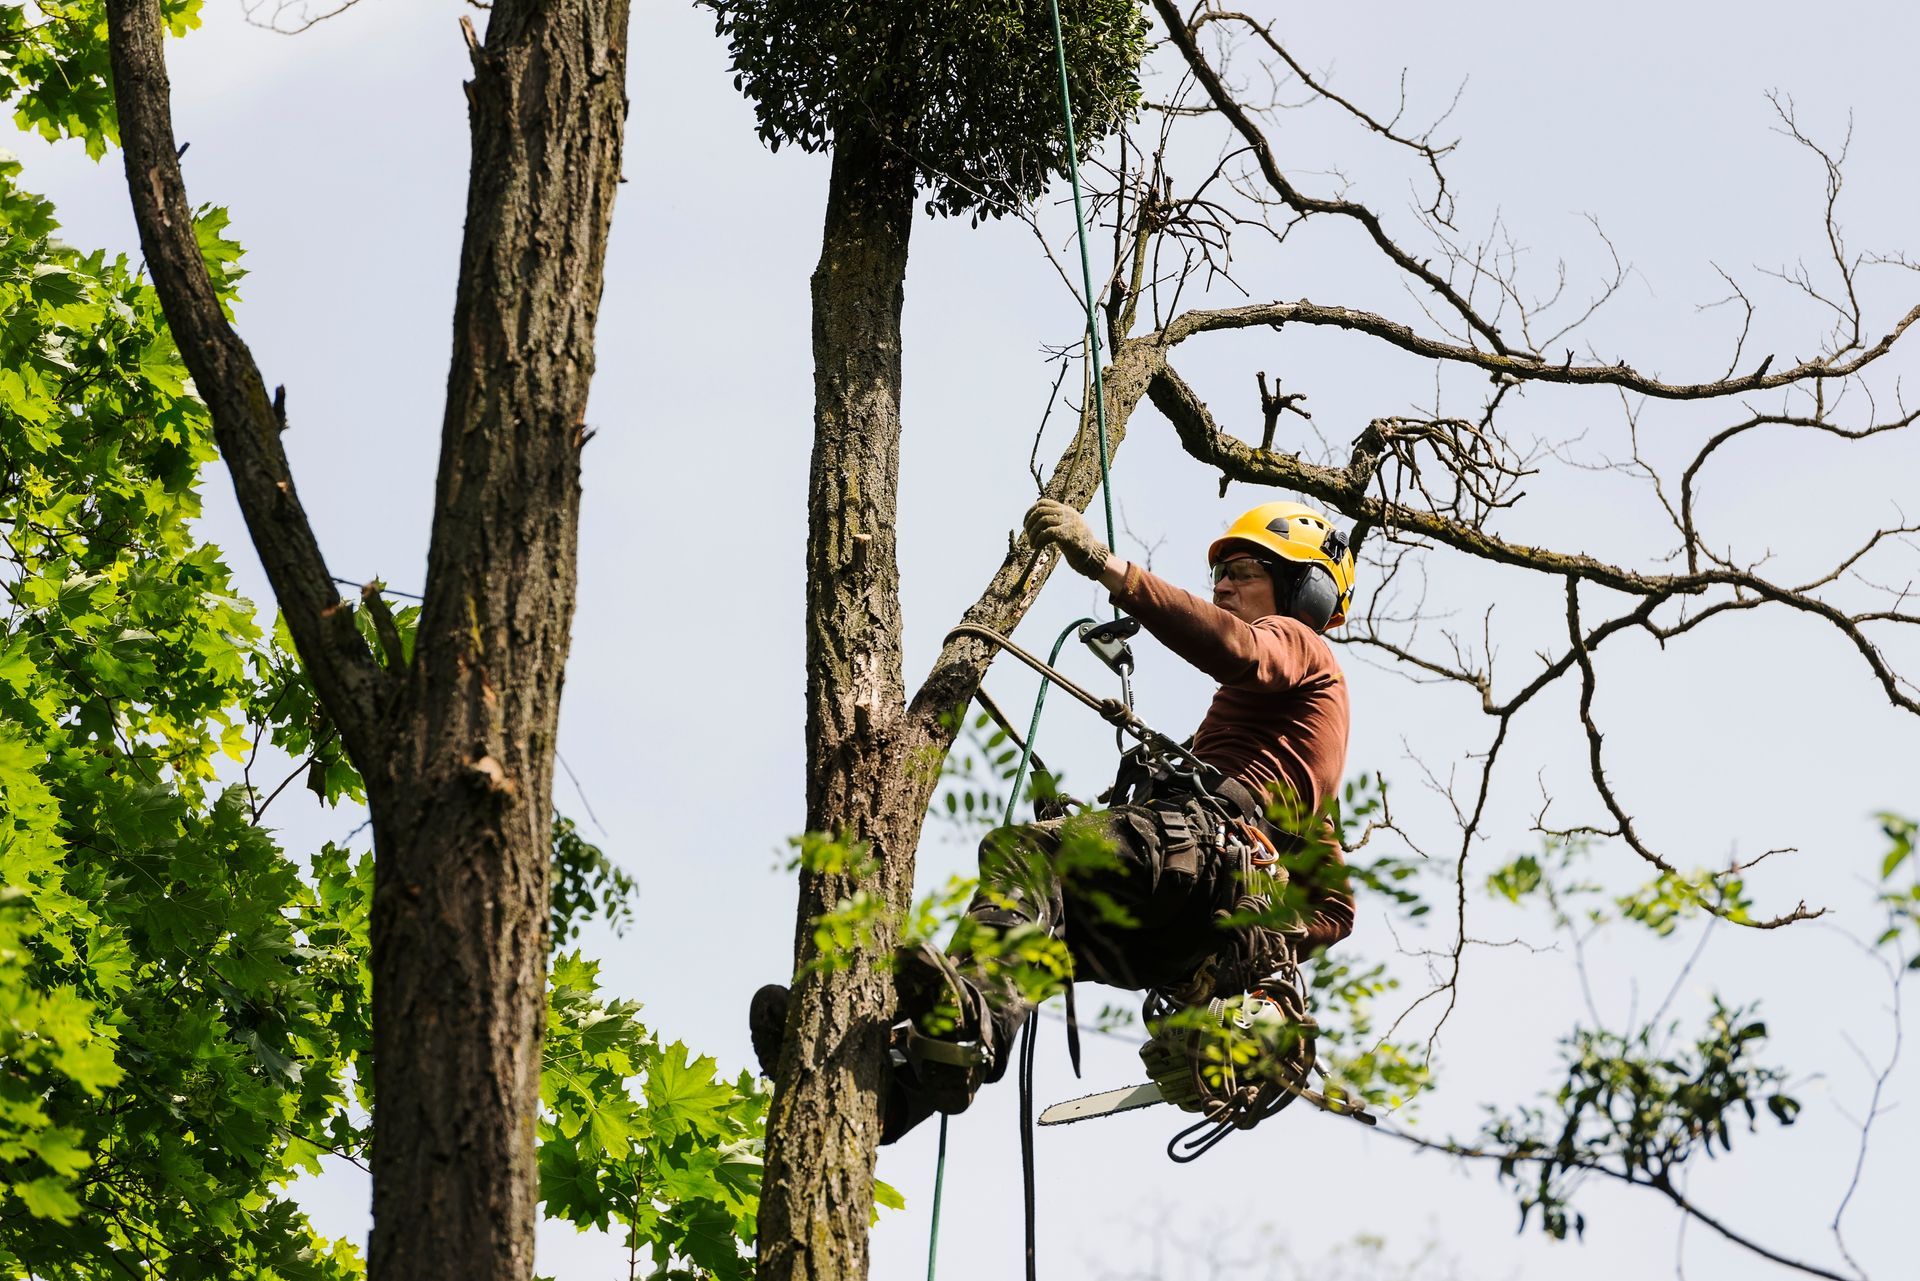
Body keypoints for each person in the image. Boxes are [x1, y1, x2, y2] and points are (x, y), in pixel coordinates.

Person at [752, 496, 1358, 1140]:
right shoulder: (1303, 755)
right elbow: (1335, 910)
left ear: (1303, 590)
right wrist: (1241, 952)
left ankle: (962, 1030)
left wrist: (1107, 567)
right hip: (1184, 928)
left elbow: (1235, 647)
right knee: (1042, 936)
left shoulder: (1299, 645)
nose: (1224, 584)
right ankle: (901, 1089)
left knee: (1026, 854)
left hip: (1201, 856)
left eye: (1243, 569)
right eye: (1220, 574)